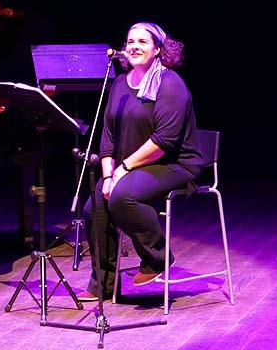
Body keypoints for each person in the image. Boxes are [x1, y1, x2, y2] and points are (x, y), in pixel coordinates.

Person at [78, 22, 203, 302]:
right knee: (94, 206)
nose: (134, 46)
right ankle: (102, 285)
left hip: (174, 164)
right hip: (133, 167)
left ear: (158, 49)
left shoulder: (170, 84)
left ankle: (157, 257)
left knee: (122, 198)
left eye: (143, 42)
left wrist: (122, 170)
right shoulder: (120, 83)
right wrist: (108, 176)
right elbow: (108, 136)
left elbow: (164, 141)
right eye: (130, 41)